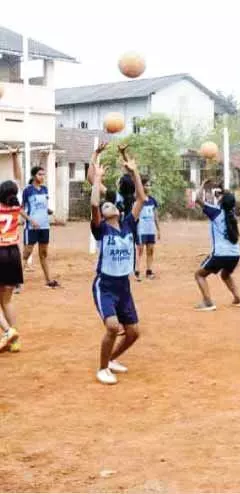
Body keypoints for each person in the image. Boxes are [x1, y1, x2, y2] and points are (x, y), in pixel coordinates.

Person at [89, 146, 146, 385]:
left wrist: (134, 173)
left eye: (109, 205)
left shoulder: (128, 225)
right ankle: (102, 368)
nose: (107, 206)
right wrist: (98, 177)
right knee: (112, 327)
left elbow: (142, 198)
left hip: (124, 286)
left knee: (133, 333)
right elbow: (94, 204)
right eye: (105, 207)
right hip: (105, 285)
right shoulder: (100, 229)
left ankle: (111, 359)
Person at [193, 179, 240, 311]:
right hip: (235, 254)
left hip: (221, 254)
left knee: (199, 275)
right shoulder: (232, 215)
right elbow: (228, 199)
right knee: (225, 275)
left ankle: (208, 302)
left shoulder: (216, 212)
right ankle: (238, 299)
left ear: (221, 201)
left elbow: (197, 199)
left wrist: (204, 183)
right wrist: (222, 189)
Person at [0, 148, 24, 353]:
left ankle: (8, 331)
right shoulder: (17, 208)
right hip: (13, 254)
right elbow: (20, 179)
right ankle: (14, 341)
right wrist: (16, 157)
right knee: (6, 301)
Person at [20, 166, 58, 288]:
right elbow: (20, 209)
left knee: (44, 253)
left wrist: (49, 211)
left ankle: (48, 280)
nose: (42, 177)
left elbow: (42, 207)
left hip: (44, 226)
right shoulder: (28, 190)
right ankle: (16, 282)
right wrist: (31, 220)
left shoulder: (45, 190)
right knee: (26, 254)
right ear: (34, 176)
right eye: (40, 174)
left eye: (43, 174)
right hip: (31, 227)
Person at [134, 176, 160, 281]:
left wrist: (158, 229)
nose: (148, 187)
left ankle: (149, 271)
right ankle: (136, 271)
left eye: (149, 185)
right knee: (139, 250)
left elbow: (156, 216)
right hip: (141, 229)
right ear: (142, 186)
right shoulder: (138, 199)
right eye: (146, 185)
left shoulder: (153, 200)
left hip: (150, 229)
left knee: (151, 250)